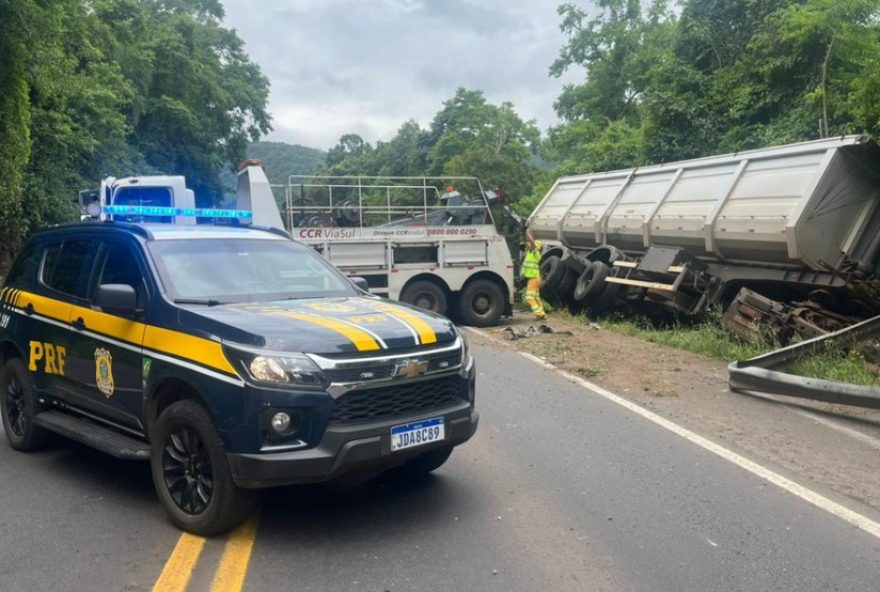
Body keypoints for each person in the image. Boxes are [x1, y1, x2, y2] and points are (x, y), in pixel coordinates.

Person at [521, 230, 546, 320]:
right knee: (535, 297)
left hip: (533, 278)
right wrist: (523, 233)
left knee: (529, 297)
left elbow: (531, 242)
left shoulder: (536, 253)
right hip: (535, 278)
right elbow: (528, 242)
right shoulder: (531, 252)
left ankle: (539, 314)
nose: (531, 245)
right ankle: (542, 314)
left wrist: (526, 231)